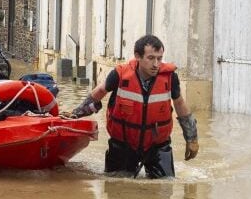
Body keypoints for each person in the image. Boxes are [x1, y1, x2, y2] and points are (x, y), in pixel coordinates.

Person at [68, 35, 199, 178]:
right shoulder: (120, 74)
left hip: (157, 146)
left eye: (159, 58)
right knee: (116, 186)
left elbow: (179, 104)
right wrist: (76, 113)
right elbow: (99, 92)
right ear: (138, 56)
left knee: (165, 187)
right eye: (151, 58)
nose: (156, 64)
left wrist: (191, 138)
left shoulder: (169, 77)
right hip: (123, 145)